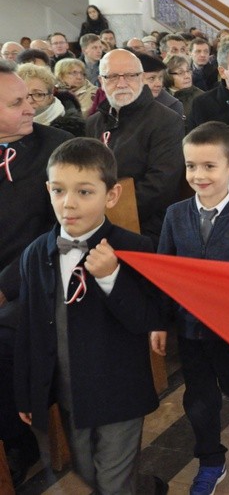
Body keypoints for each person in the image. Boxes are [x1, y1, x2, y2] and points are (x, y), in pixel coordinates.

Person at [14, 138, 164, 495]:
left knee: (112, 483)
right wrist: (26, 392)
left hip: (119, 391)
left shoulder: (135, 248)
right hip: (70, 393)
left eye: (84, 192)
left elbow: (146, 318)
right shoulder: (35, 254)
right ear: (47, 190)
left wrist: (111, 277)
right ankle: (147, 488)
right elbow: (29, 328)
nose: (69, 203)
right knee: (88, 471)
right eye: (59, 190)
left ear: (111, 196)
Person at [152, 121, 229, 495]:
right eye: (191, 166)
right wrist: (159, 321)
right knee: (200, 399)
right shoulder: (175, 216)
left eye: (209, 166)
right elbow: (163, 271)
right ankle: (211, 460)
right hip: (189, 329)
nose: (198, 175)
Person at [0, 62, 72, 489]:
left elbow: (64, 231)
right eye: (17, 102)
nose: (31, 108)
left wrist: (6, 286)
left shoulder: (58, 149)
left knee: (6, 338)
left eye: (30, 98)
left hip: (43, 279)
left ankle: (18, 440)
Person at [85, 49, 185, 243]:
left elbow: (161, 185)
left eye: (130, 75)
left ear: (141, 78)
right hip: (98, 222)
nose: (122, 83)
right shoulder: (93, 122)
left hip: (147, 228)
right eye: (112, 76)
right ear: (101, 80)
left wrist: (107, 212)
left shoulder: (166, 120)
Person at [17, 63, 85, 137]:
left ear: (51, 96)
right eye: (23, 95)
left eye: (38, 94)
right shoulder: (6, 128)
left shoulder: (70, 132)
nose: (29, 101)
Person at [164, 54, 204, 133]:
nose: (187, 76)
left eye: (188, 71)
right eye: (180, 72)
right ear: (168, 75)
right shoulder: (160, 96)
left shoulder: (201, 98)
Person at [137, 52, 184, 117]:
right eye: (152, 78)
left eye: (160, 77)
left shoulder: (172, 106)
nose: (159, 84)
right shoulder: (123, 102)